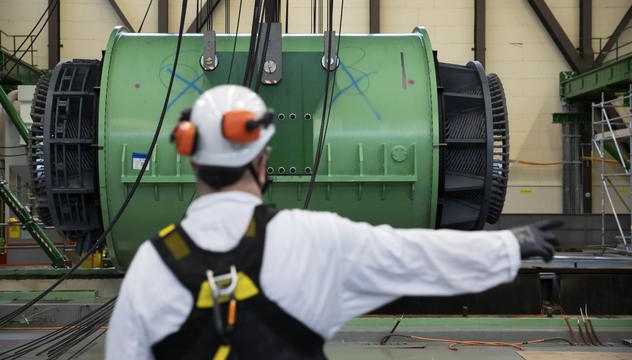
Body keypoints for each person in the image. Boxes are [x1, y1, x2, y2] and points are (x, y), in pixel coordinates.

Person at [105, 85, 559, 360]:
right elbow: (415, 255)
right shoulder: (312, 239)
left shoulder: (152, 264)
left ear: (192, 162)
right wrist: (511, 245)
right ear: (262, 162)